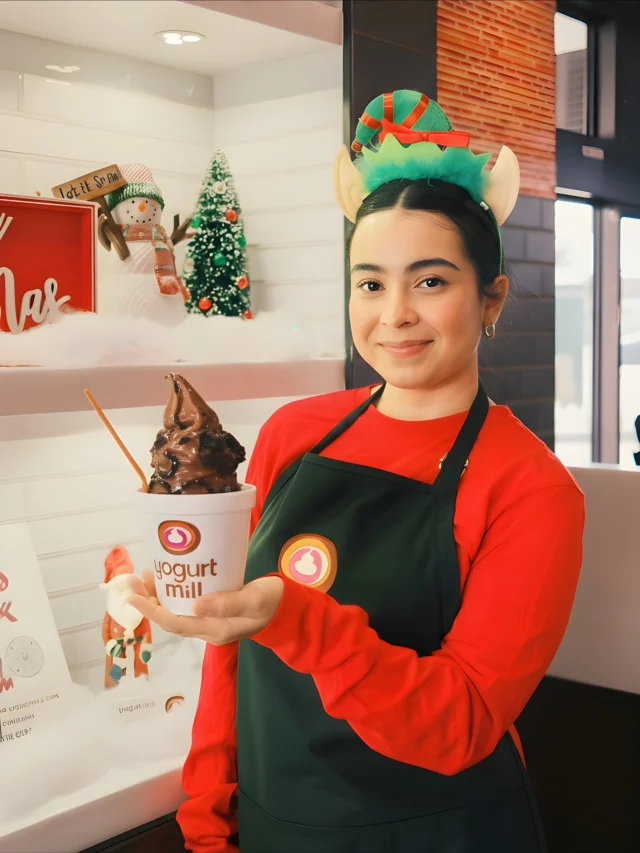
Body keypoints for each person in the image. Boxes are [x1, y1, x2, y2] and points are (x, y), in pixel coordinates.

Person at [130, 90, 585, 853]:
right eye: (370, 282)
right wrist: (207, 817)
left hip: (441, 834)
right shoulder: (292, 433)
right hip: (279, 827)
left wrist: (295, 618)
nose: (394, 313)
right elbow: (230, 653)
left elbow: (462, 722)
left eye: (431, 281)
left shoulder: (532, 488)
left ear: (492, 297)